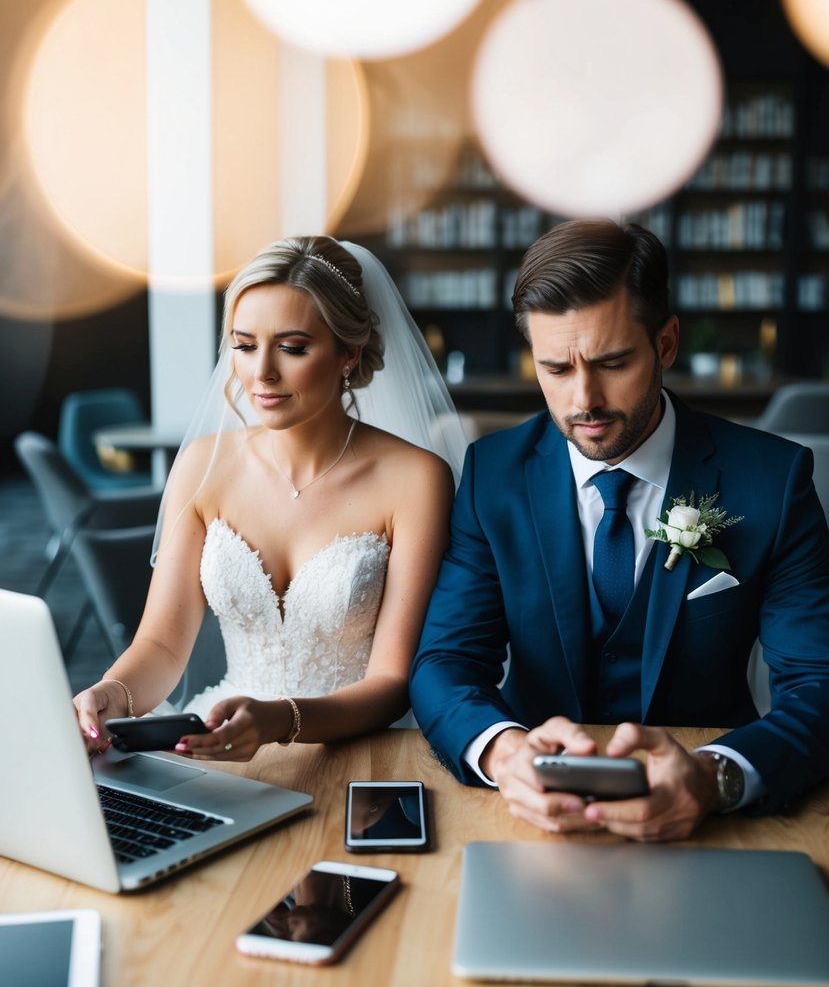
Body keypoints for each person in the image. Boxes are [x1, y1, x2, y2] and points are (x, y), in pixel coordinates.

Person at [410, 218, 829, 841]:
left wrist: (715, 777)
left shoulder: (774, 478)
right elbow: (446, 660)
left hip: (715, 825)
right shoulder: (491, 475)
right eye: (555, 368)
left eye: (612, 362)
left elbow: (819, 683)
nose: (584, 400)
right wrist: (504, 753)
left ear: (665, 344)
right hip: (531, 824)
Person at [74, 236, 467, 760]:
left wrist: (281, 720)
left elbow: (394, 681)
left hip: (357, 748)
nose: (262, 373)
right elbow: (161, 647)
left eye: (292, 347)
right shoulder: (201, 465)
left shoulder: (416, 479)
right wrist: (114, 693)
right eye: (243, 345)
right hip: (223, 738)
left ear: (349, 351)